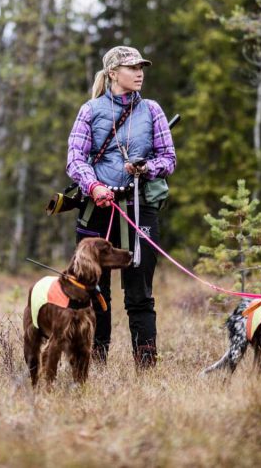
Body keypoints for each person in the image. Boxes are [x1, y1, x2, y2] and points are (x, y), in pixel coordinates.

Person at [66, 45, 176, 369]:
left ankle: (146, 365)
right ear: (113, 73)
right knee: (94, 291)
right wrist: (94, 185)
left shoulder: (153, 110)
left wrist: (145, 168)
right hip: (97, 210)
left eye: (141, 67)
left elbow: (168, 159)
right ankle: (95, 363)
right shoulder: (90, 110)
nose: (140, 72)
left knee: (139, 292)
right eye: (132, 67)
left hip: (140, 208)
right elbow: (75, 160)